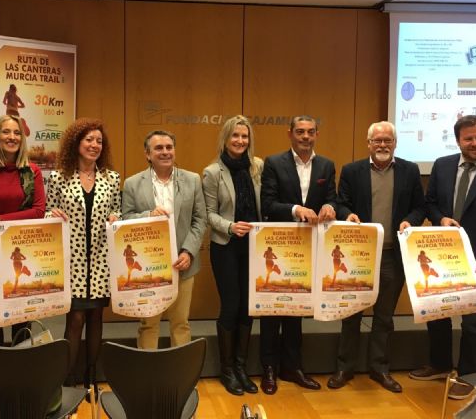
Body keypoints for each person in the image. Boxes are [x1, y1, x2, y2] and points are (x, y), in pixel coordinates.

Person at [410, 115, 476, 400]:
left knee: (473, 320)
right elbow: (431, 203)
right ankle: (440, 364)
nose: (475, 143)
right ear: (458, 141)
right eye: (469, 139)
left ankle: (468, 376)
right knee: (437, 312)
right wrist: (441, 218)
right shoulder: (442, 165)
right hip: (443, 257)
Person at [327, 121, 425, 393]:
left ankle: (379, 368)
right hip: (359, 256)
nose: (382, 145)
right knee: (351, 313)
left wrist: (410, 220)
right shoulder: (352, 170)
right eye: (377, 140)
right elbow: (341, 203)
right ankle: (345, 367)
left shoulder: (410, 170)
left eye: (387, 140)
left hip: (392, 256)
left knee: (384, 316)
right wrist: (347, 214)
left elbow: (419, 207)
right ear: (368, 143)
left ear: (395, 143)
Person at [259, 115, 336, 394]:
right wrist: (296, 209)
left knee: (297, 308)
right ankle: (269, 368)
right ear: (290, 133)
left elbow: (332, 197)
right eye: (300, 132)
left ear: (317, 134)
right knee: (272, 310)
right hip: (278, 246)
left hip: (308, 248)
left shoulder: (326, 165)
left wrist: (329, 206)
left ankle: (293, 367)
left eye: (311, 132)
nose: (305, 137)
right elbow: (267, 204)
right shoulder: (274, 162)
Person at [46, 118, 121, 400]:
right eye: (89, 139)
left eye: (99, 141)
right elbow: (48, 212)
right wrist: (51, 215)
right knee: (75, 319)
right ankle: (68, 381)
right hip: (73, 261)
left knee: (96, 317)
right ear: (76, 143)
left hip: (101, 261)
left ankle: (91, 379)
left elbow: (118, 211)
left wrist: (116, 217)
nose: (94, 145)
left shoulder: (112, 179)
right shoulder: (58, 178)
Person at [122, 130, 207, 349]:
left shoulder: (192, 180)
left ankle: (182, 371)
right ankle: (148, 370)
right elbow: (125, 219)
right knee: (148, 325)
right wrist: (148, 215)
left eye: (169, 147)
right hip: (149, 268)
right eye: (159, 148)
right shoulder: (132, 184)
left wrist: (188, 252)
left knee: (181, 324)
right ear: (147, 154)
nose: (165, 152)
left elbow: (200, 219)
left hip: (183, 264)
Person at [202, 115, 263, 396]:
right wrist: (230, 226)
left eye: (244, 136)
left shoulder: (258, 166)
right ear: (225, 139)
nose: (240, 141)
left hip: (254, 247)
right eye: (235, 136)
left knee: (248, 306)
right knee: (231, 305)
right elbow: (208, 214)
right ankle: (227, 370)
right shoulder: (212, 172)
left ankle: (241, 367)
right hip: (226, 246)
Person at [0, 114, 45, 346]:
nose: (12, 137)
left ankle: (21, 365)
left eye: (16, 133)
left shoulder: (32, 171)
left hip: (24, 248)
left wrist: (1, 218)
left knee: (22, 315)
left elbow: (39, 211)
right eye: (6, 132)